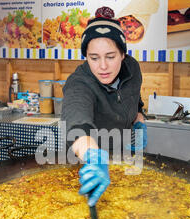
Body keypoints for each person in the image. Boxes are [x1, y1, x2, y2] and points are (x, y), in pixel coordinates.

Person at [61, 6, 147, 207]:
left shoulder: (132, 69)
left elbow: (135, 101)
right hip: (86, 170)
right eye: (94, 58)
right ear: (86, 57)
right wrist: (93, 158)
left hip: (122, 163)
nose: (103, 67)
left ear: (123, 54)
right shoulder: (79, 83)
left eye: (110, 56)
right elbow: (77, 124)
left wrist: (139, 122)